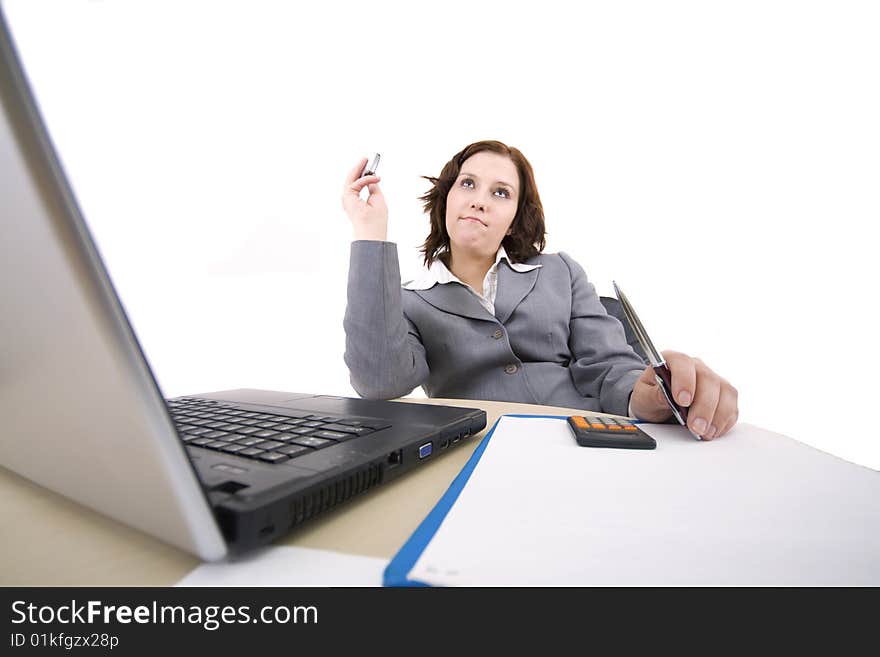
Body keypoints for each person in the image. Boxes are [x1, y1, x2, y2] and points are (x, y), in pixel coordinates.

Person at [340, 140, 738, 439]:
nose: (479, 201)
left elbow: (609, 366)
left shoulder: (560, 271)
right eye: (467, 184)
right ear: (446, 200)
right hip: (476, 451)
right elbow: (379, 382)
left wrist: (644, 394)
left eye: (500, 192)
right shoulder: (409, 301)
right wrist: (370, 232)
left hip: (585, 438)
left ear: (513, 221)